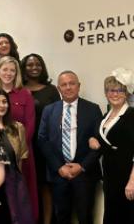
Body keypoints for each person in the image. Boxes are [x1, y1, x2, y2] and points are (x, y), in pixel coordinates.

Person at [38, 70, 102, 224]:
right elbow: (42, 140)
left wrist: (82, 166)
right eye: (64, 85)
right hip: (59, 174)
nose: (68, 87)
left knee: (85, 216)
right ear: (59, 88)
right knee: (62, 216)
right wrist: (59, 167)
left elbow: (99, 143)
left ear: (78, 86)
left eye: (72, 83)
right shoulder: (49, 110)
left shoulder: (93, 109)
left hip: (85, 174)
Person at [0, 56, 38, 220]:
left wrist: (17, 150)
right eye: (5, 69)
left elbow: (30, 124)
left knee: (23, 195)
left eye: (12, 70)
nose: (8, 73)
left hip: (21, 153)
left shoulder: (25, 94)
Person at [89, 68, 134, 224]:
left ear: (126, 93)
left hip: (127, 175)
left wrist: (132, 182)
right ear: (106, 93)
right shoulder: (107, 115)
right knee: (113, 214)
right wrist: (93, 141)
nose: (115, 94)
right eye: (110, 90)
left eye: (119, 90)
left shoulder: (131, 115)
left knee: (127, 215)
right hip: (110, 175)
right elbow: (108, 141)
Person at [0, 88, 34, 224]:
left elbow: (22, 157)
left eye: (4, 102)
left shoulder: (18, 128)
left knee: (19, 217)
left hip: (14, 180)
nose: (1, 105)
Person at [21, 53, 60, 224]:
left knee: (45, 185)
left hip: (45, 145)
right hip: (24, 144)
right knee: (28, 184)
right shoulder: (19, 90)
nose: (34, 67)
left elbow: (58, 116)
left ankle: (47, 220)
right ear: (23, 68)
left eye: (37, 64)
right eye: (29, 65)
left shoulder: (51, 90)